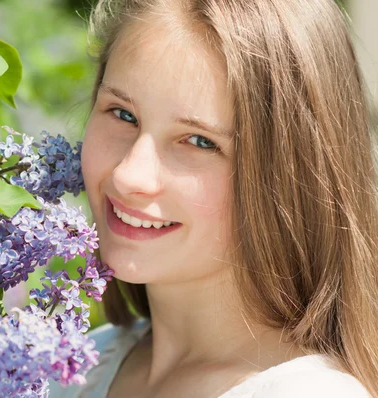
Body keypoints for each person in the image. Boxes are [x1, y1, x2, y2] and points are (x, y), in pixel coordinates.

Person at [48, 0, 378, 396]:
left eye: (200, 141)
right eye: (122, 114)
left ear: (288, 176)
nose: (128, 174)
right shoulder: (72, 366)